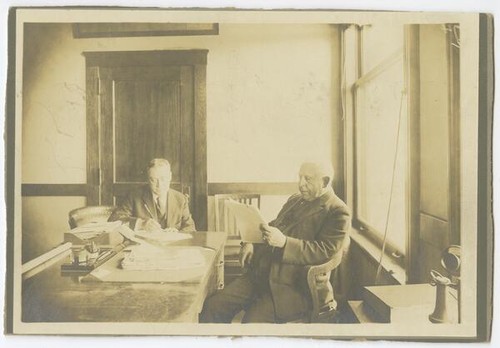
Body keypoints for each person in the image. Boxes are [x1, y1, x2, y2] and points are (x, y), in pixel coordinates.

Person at [200, 161, 351, 323]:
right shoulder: (295, 200)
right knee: (212, 307)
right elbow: (273, 225)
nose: (301, 184)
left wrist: (284, 243)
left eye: (307, 179)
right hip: (260, 275)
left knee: (251, 325)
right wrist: (250, 242)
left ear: (325, 182)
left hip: (291, 287)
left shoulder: (338, 211)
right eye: (300, 177)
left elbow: (325, 251)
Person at [109, 158, 196, 232]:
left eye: (163, 179)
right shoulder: (134, 196)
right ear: (148, 179)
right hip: (144, 248)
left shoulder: (180, 199)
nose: (159, 185)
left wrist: (178, 233)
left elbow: (190, 227)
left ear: (170, 177)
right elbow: (113, 220)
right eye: (153, 180)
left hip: (172, 249)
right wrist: (140, 224)